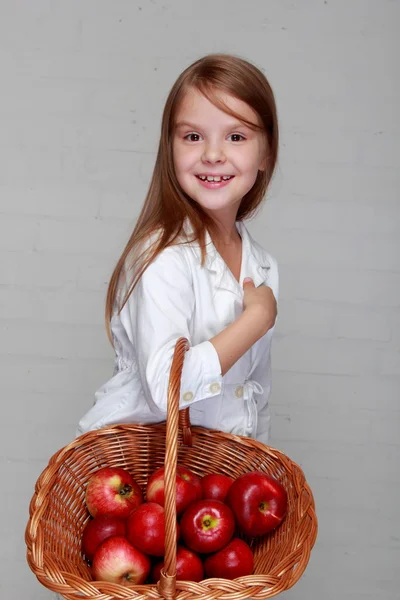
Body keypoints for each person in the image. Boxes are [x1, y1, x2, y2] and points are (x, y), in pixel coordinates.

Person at [77, 53, 279, 444]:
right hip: (143, 477)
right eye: (192, 136)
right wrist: (254, 322)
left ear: (266, 154)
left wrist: (257, 470)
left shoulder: (263, 266)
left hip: (215, 485)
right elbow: (166, 389)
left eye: (236, 136)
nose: (213, 154)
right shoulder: (162, 256)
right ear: (170, 149)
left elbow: (253, 398)